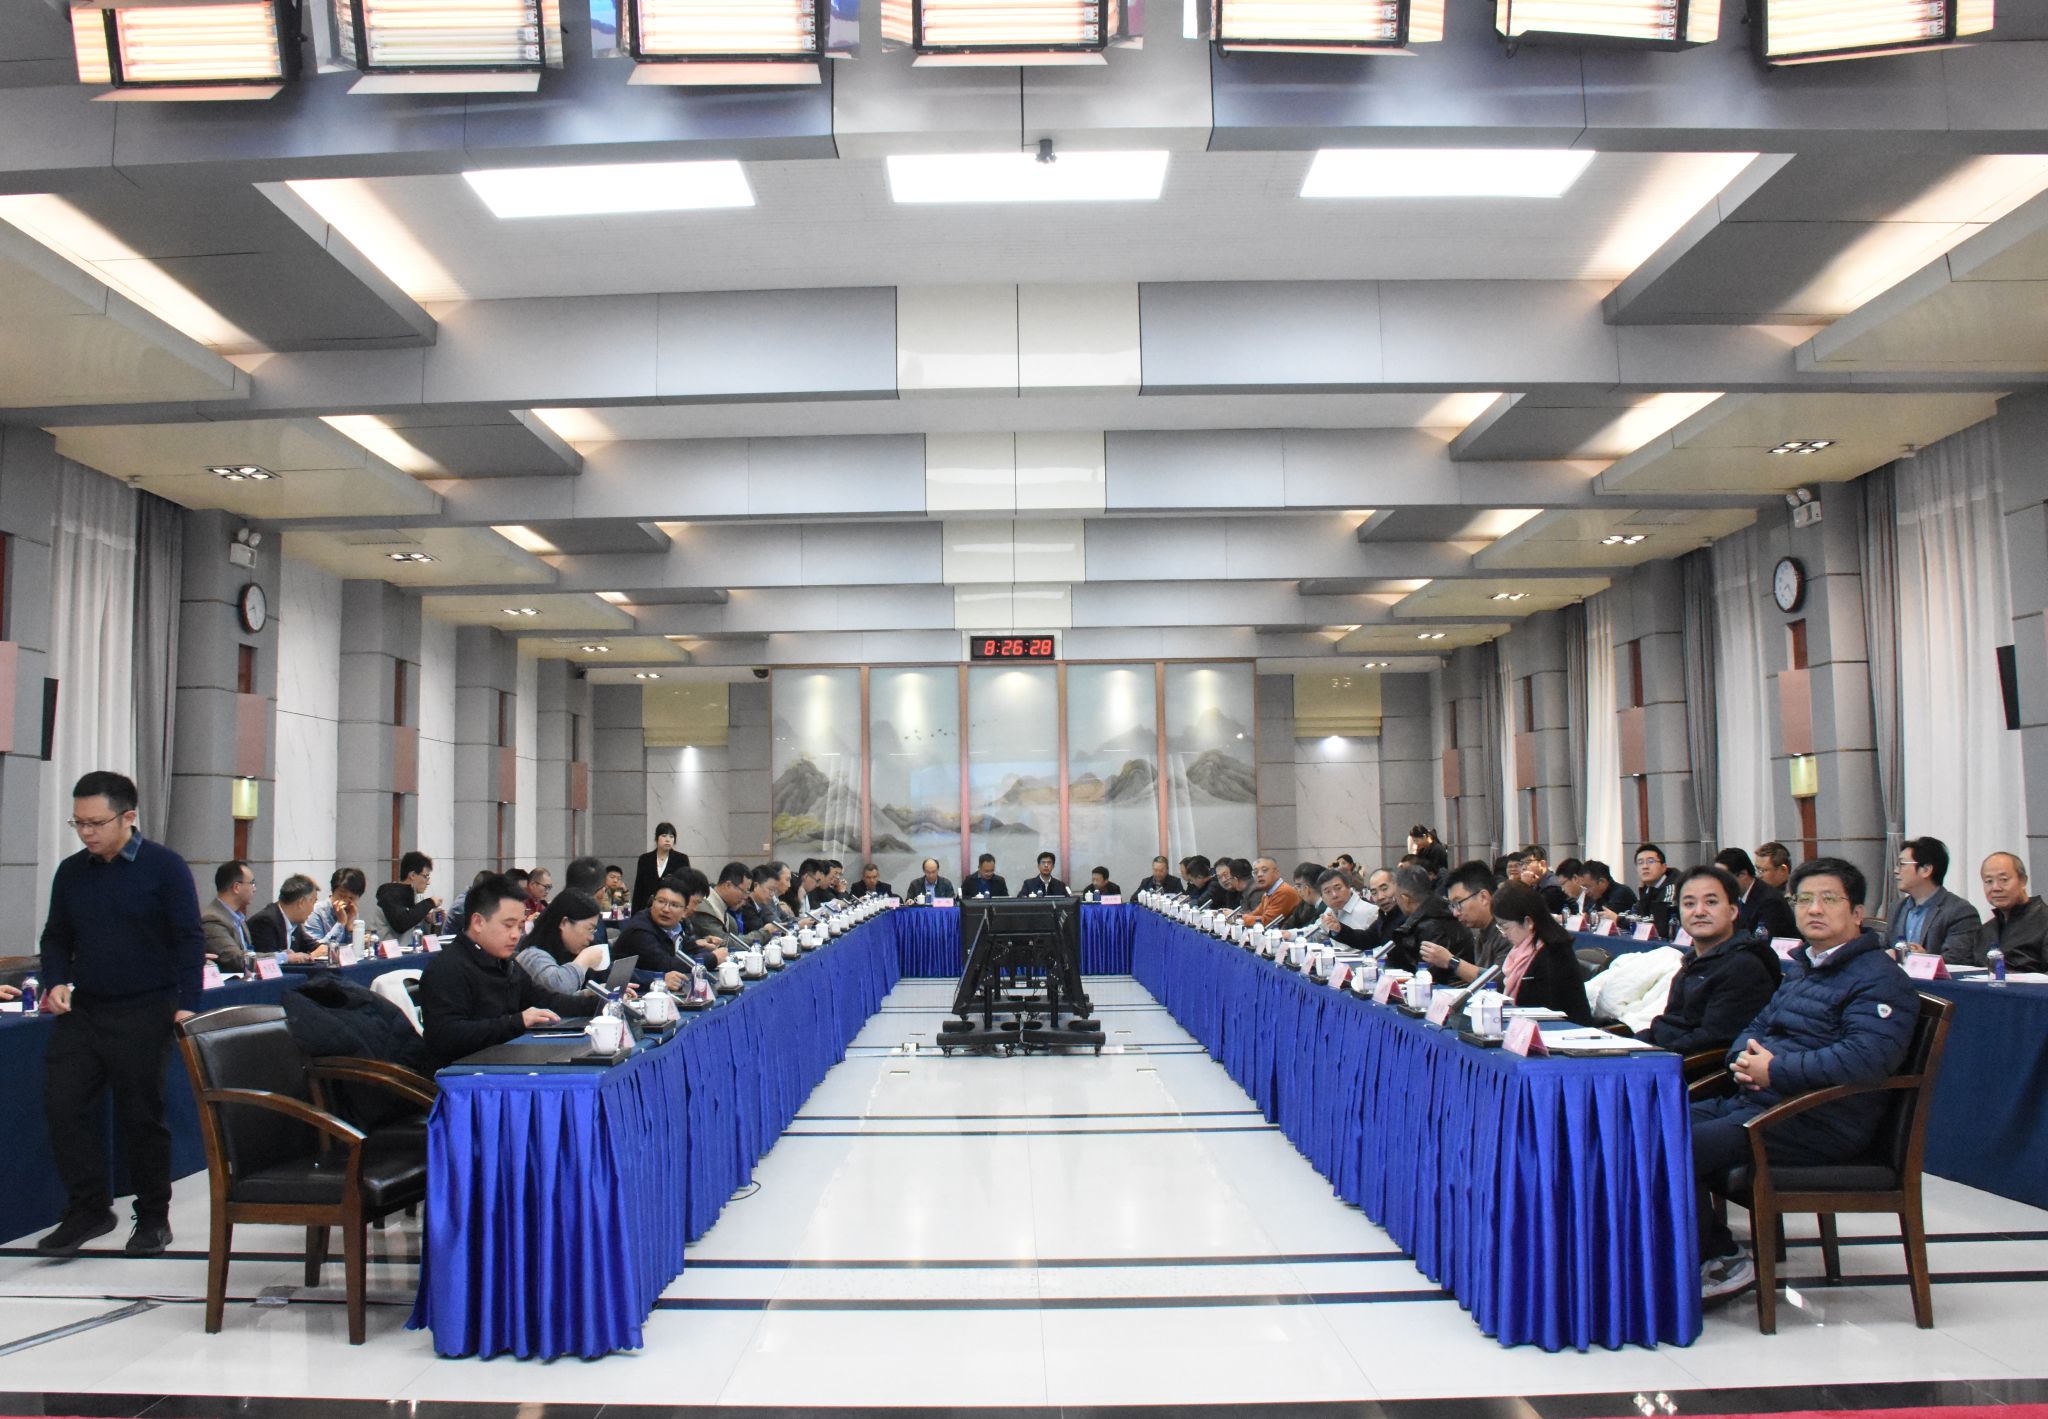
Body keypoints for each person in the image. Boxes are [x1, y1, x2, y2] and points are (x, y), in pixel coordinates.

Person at [1692, 858, 1920, 1302]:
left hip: (1817, 1120)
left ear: (1858, 912)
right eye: (1804, 899)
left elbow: (1865, 1059)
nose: (1814, 909)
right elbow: (1757, 1025)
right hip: (1763, 1105)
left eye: (1829, 899)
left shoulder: (1879, 980)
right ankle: (1674, 1254)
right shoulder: (1805, 968)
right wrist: (1742, 1059)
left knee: (1673, 1146)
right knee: (1646, 1126)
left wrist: (1773, 1070)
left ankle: (1722, 1261)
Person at [36, 770, 205, 1259]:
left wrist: (188, 1001)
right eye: (79, 823)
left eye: (96, 822)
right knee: (64, 1104)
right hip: (86, 1008)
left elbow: (188, 937)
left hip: (146, 1007)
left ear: (128, 817)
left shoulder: (164, 867)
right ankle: (88, 1209)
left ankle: (152, 1217)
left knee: (141, 1115)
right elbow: (56, 936)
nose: (87, 832)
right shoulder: (72, 872)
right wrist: (55, 979)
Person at [417, 874, 602, 1067]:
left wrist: (599, 1004)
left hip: (507, 1060)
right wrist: (517, 1022)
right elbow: (445, 1037)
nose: (516, 935)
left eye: (520, 926)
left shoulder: (505, 963)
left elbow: (547, 1000)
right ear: (478, 922)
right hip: (467, 1073)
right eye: (508, 925)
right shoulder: (447, 968)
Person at [1647, 866, 1783, 1054]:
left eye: (1711, 902)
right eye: (1689, 904)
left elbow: (1713, 1039)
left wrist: (1651, 1052)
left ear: (1733, 911)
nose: (1699, 911)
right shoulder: (1693, 961)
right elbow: (1673, 1022)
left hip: (1697, 1065)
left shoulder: (1743, 966)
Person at [1489, 883, 1594, 1024]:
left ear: (1528, 922)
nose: (1503, 934)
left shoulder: (1554, 953)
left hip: (1563, 1029)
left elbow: (1544, 1007)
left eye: (1505, 927)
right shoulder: (1523, 951)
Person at [1891, 836, 1982, 963]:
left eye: (1902, 864)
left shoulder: (1960, 911)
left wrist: (1925, 960)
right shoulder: (1898, 908)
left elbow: (1958, 960)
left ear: (1926, 870)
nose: (1896, 871)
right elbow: (1885, 946)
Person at [515, 889, 615, 995]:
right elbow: (559, 988)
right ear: (564, 923)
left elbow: (557, 1000)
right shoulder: (532, 956)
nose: (592, 938)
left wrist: (589, 994)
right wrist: (585, 959)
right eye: (589, 929)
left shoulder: (565, 952)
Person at [1386, 864, 1470, 984]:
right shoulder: (1440, 911)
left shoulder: (1430, 926)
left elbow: (1427, 975)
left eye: (1396, 898)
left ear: (1405, 899)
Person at [615, 875, 715, 974]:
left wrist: (708, 955)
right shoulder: (640, 930)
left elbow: (693, 949)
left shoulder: (676, 927)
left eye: (674, 905)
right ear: (652, 901)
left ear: (684, 911)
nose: (666, 909)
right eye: (661, 901)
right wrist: (713, 958)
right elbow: (666, 966)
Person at [1428, 861, 1509, 981]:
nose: (1455, 913)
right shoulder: (1482, 932)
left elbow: (1501, 981)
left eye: (1458, 903)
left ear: (1483, 897)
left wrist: (1451, 961)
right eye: (1452, 905)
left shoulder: (1507, 931)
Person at [1979, 851, 2047, 972]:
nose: (1996, 888)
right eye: (1989, 881)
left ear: (2023, 881)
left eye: (2004, 879)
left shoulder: (2044, 921)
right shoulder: (1985, 930)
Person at [1715, 847, 1799, 943]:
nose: (1719, 883)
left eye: (1723, 877)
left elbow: (1760, 942)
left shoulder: (1769, 901)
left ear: (1743, 874)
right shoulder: (1735, 898)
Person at [247, 874, 327, 961]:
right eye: (313, 902)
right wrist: (311, 956)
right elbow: (268, 962)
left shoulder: (295, 923)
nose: (312, 909)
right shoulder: (265, 922)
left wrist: (323, 949)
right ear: (301, 902)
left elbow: (316, 947)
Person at [199, 859, 256, 975]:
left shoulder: (238, 917)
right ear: (236, 887)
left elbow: (249, 952)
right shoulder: (212, 919)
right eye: (252, 883)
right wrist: (282, 957)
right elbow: (237, 959)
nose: (254, 889)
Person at [696, 862, 771, 946]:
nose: (745, 897)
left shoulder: (725, 909)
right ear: (728, 885)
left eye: (747, 892)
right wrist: (764, 933)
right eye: (744, 891)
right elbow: (724, 943)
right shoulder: (705, 908)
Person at [1315, 868, 1384, 948]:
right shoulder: (1330, 911)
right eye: (1328, 892)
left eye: (1338, 888)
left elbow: (1374, 944)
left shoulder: (1371, 911)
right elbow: (1316, 931)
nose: (1334, 895)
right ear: (1322, 898)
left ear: (1349, 887)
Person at [376, 851, 440, 939]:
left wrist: (429, 921)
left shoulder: (414, 897)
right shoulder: (389, 894)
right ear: (412, 875)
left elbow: (420, 936)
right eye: (426, 876)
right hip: (389, 947)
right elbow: (401, 924)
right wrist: (430, 902)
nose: (428, 882)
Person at [631, 822, 689, 916]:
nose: (668, 840)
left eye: (671, 837)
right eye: (664, 836)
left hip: (670, 909)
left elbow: (685, 887)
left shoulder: (681, 859)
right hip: (647, 909)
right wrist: (634, 916)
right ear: (656, 838)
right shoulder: (645, 859)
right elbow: (638, 889)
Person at [305, 866, 366, 948]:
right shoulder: (316, 911)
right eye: (342, 896)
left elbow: (354, 949)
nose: (345, 901)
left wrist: (351, 928)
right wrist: (341, 922)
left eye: (351, 898)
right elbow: (316, 949)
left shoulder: (352, 910)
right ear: (333, 891)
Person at [1627, 844, 1679, 937]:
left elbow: (1661, 927)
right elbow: (1637, 915)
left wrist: (1618, 919)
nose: (1645, 866)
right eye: (1640, 862)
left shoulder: (1672, 887)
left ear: (1663, 867)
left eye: (1651, 861)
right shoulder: (1648, 888)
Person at [1242, 857, 1301, 927]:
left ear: (1277, 872)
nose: (1259, 875)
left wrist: (1239, 919)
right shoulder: (1267, 893)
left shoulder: (1284, 891)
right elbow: (1254, 914)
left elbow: (1267, 921)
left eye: (1264, 870)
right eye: (1255, 872)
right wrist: (1238, 917)